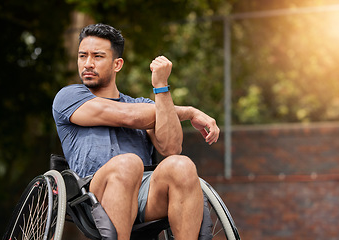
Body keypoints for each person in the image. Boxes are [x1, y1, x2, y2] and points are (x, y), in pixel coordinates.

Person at [52, 23, 220, 240]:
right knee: (128, 163)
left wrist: (161, 87)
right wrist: (188, 112)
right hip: (93, 194)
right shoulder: (69, 97)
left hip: (145, 194)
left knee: (182, 165)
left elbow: (171, 147)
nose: (88, 64)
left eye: (98, 56)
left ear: (117, 64)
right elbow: (128, 116)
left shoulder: (142, 105)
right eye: (82, 56)